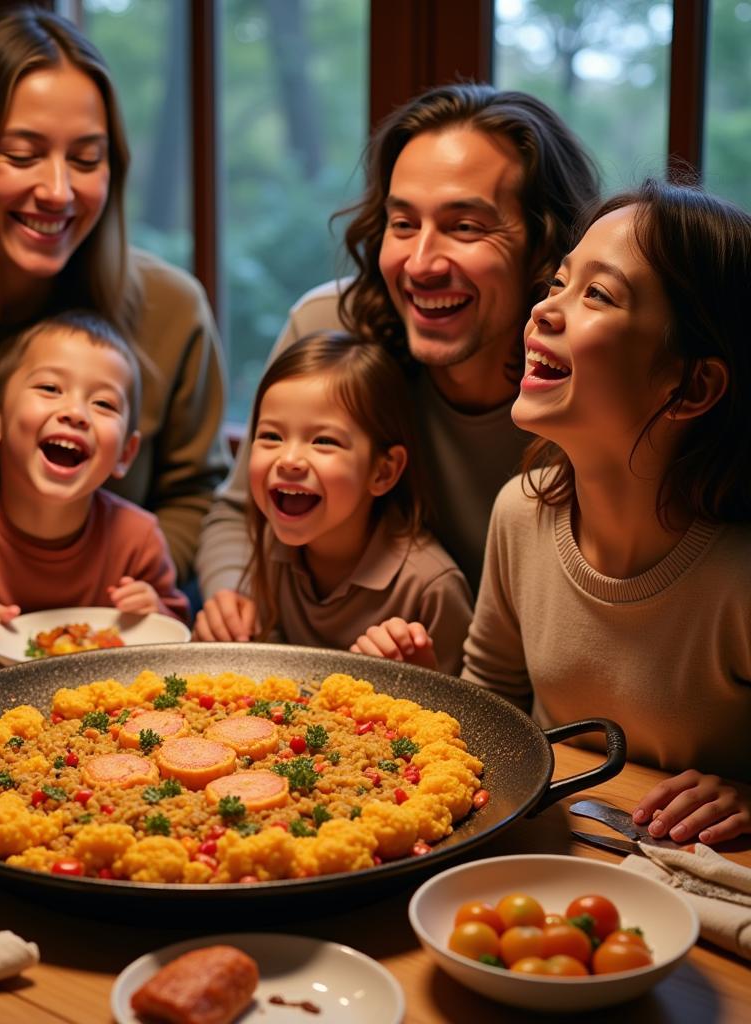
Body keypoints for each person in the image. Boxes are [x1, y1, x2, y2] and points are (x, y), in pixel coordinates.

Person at [195, 83, 599, 629]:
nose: (421, 263)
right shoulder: (327, 332)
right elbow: (237, 511)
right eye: (403, 224)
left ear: (543, 247)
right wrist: (229, 597)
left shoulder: (593, 380)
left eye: (465, 227)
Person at [456, 179, 750, 844]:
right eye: (558, 283)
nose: (544, 312)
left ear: (692, 385)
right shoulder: (519, 515)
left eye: (598, 294)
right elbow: (483, 717)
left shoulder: (740, 577)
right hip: (551, 855)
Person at [0, 7, 230, 583]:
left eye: (85, 159)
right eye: (21, 155)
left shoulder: (171, 310)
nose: (57, 191)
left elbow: (195, 495)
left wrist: (109, 589)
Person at [0, 311, 189, 670]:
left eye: (104, 404)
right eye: (50, 389)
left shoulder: (138, 539)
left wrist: (153, 613)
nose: (76, 413)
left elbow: (178, 641)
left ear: (125, 452)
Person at [194, 332, 473, 676]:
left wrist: (419, 677)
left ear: (383, 471)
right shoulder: (270, 547)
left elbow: (465, 715)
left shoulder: (431, 586)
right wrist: (225, 633)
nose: (289, 459)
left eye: (324, 441)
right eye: (271, 437)